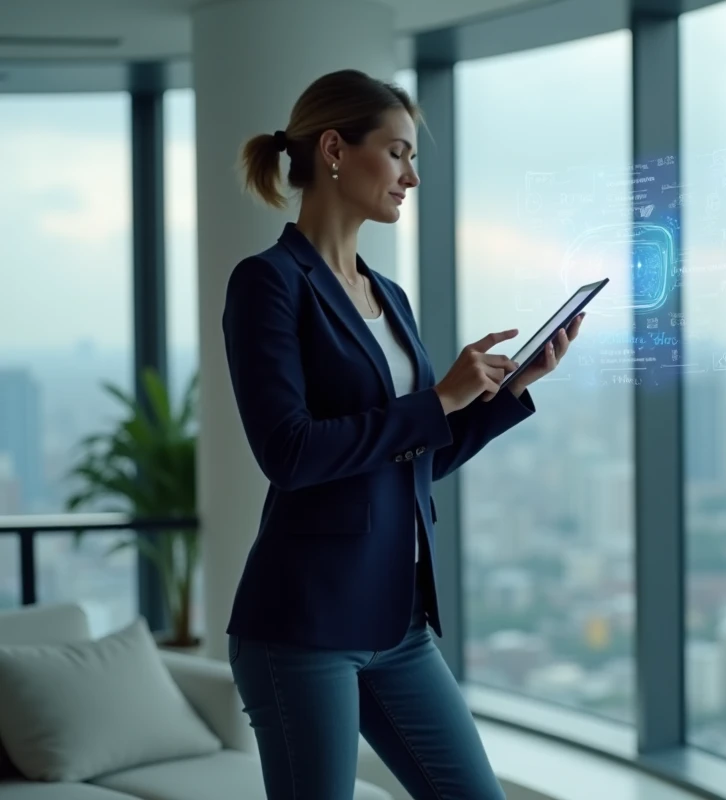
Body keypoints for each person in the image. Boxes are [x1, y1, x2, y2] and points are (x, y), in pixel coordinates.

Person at [220, 69, 584, 800]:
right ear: (333, 149)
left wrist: (502, 398)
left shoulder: (389, 295)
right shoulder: (268, 283)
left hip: (398, 624)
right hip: (304, 628)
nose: (411, 176)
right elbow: (287, 453)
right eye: (397, 153)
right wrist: (440, 398)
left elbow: (409, 458)